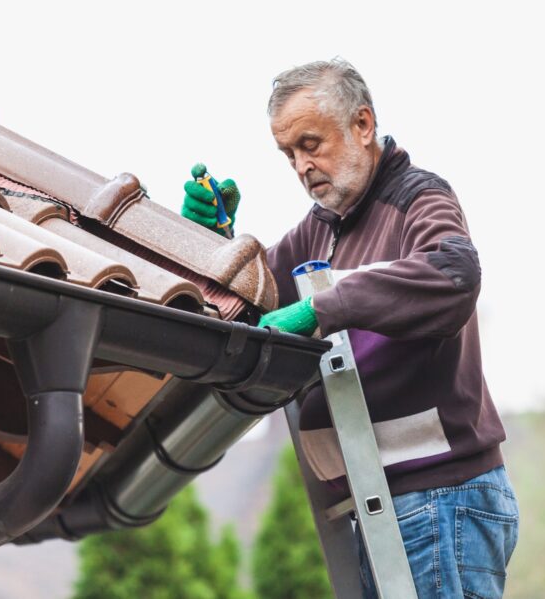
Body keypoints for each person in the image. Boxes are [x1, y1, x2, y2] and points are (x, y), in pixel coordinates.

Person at [180, 59, 518, 598]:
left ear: (362, 125)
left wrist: (325, 307)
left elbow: (453, 273)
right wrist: (215, 240)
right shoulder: (320, 230)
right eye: (289, 154)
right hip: (380, 503)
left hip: (439, 497)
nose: (300, 165)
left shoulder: (416, 197)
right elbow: (257, 298)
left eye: (310, 143)